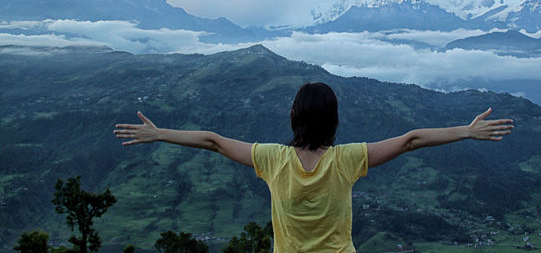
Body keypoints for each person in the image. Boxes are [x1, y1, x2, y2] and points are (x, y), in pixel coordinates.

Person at [114, 82, 513, 253]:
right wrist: (467, 130)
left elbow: (213, 141)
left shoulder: (271, 159)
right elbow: (411, 140)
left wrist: (160, 133)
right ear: (333, 120)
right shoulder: (348, 159)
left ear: (294, 118)